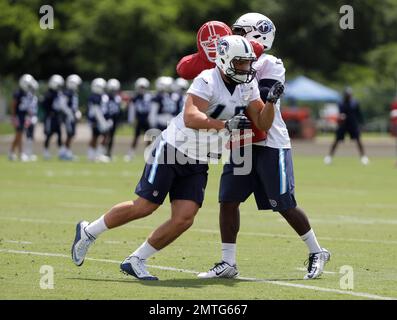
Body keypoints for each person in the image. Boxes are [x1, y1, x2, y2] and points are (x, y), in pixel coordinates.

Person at [71, 35, 280, 280]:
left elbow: (262, 124)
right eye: (241, 63)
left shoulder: (248, 84)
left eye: (248, 63)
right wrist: (224, 124)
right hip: (173, 148)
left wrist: (271, 102)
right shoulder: (206, 80)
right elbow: (191, 117)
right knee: (144, 206)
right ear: (224, 60)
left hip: (200, 158)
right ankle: (89, 231)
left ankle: (136, 259)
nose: (246, 68)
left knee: (184, 218)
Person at [188, 13, 330, 280]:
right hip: (241, 140)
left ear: (258, 33)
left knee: (283, 203)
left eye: (239, 31)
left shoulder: (270, 63)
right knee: (228, 201)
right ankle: (228, 262)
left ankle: (317, 250)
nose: (232, 35)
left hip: (269, 142)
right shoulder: (228, 58)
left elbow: (259, 108)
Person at [324, 87, 369, 165]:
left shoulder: (355, 103)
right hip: (343, 125)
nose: (348, 96)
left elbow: (359, 114)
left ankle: (363, 157)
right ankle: (329, 157)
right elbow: (340, 114)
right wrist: (340, 118)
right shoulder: (341, 103)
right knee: (337, 140)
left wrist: (362, 124)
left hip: (353, 125)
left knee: (358, 140)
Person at [9, 74, 38, 161]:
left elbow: (28, 106)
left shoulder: (27, 93)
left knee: (20, 135)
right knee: (19, 134)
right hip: (18, 116)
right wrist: (14, 117)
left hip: (25, 116)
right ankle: (20, 153)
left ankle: (12, 152)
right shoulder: (18, 93)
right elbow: (13, 105)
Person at [125, 77, 152, 161]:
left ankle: (148, 154)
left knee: (149, 138)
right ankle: (131, 153)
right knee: (135, 137)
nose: (142, 89)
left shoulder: (150, 97)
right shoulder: (135, 97)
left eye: (143, 87)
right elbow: (132, 110)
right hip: (139, 120)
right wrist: (131, 120)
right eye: (141, 87)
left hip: (147, 120)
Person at [87, 78, 112, 162]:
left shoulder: (101, 96)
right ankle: (93, 155)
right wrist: (103, 121)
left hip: (99, 120)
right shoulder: (94, 97)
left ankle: (96, 154)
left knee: (101, 136)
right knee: (96, 137)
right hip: (96, 120)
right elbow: (96, 110)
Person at [43, 74, 67, 160]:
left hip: (57, 117)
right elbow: (45, 105)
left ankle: (61, 152)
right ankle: (45, 151)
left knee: (59, 134)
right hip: (50, 117)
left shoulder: (59, 94)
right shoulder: (49, 94)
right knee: (49, 134)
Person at [62, 74, 82, 160]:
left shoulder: (73, 93)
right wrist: (71, 114)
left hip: (72, 117)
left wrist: (76, 112)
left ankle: (65, 152)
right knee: (69, 134)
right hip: (68, 117)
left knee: (71, 134)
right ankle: (66, 153)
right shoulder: (68, 93)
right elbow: (63, 105)